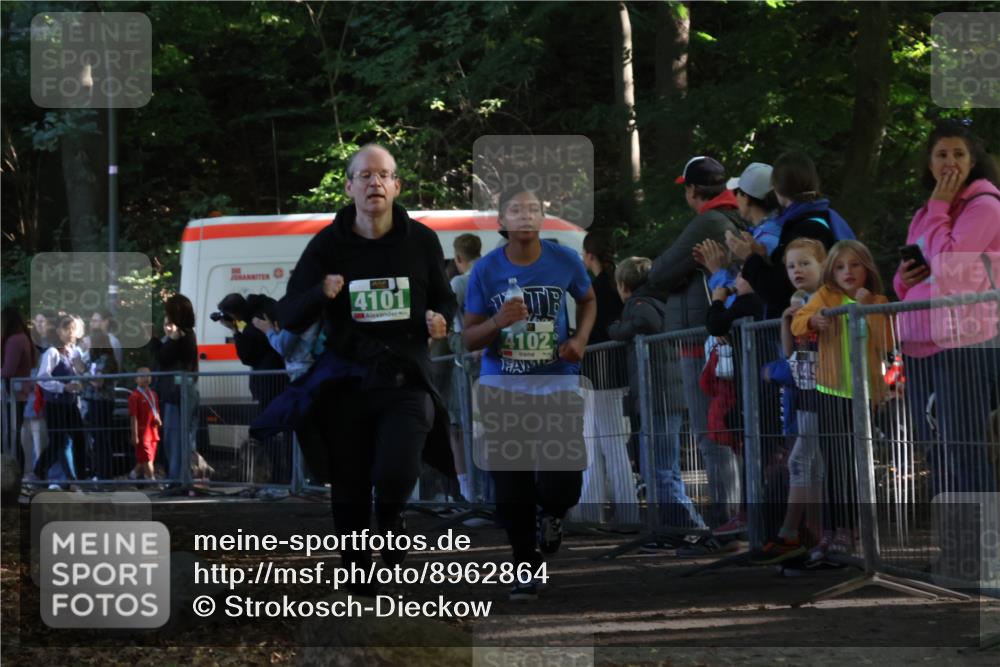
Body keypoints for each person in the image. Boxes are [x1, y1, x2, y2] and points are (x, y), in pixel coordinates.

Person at [277, 144, 456, 584]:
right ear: (349, 187)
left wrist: (440, 319)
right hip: (346, 382)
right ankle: (358, 575)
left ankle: (392, 520)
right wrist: (321, 292)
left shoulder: (421, 241)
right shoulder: (327, 245)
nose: (374, 182)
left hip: (406, 378)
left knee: (397, 472)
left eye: (383, 175)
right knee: (351, 485)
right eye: (365, 175)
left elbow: (444, 298)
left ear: (396, 186)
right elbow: (289, 314)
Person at [463, 187, 596, 601]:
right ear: (502, 221)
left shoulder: (565, 260)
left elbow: (588, 300)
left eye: (533, 209)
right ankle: (525, 564)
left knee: (564, 485)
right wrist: (498, 322)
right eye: (516, 209)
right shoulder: (485, 271)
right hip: (503, 388)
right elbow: (468, 337)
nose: (525, 215)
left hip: (557, 383)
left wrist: (580, 339)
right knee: (511, 489)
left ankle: (551, 514)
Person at [893, 119, 1000, 495]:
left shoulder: (985, 206)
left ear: (973, 161)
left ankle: (984, 531)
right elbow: (903, 287)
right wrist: (905, 277)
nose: (950, 162)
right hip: (919, 344)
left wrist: (939, 208)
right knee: (935, 450)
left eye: (958, 154)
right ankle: (955, 530)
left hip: (963, 341)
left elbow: (952, 268)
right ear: (929, 163)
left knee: (964, 448)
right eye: (941, 154)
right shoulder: (924, 214)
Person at [639, 156, 745, 531]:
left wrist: (677, 273)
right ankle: (736, 519)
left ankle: (727, 521)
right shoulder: (736, 216)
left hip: (703, 343)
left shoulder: (709, 221)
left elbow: (659, 273)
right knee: (727, 432)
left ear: (692, 190)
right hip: (719, 338)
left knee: (713, 435)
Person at [792, 240, 892, 558]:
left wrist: (867, 310)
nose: (847, 272)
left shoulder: (878, 301)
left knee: (856, 462)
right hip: (830, 392)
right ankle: (833, 529)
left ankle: (854, 529)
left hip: (864, 396)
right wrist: (814, 320)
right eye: (839, 267)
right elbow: (798, 322)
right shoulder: (826, 296)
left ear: (867, 268)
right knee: (833, 463)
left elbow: (887, 342)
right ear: (831, 272)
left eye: (855, 265)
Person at [608, 256, 702, 542]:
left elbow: (646, 323)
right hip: (666, 392)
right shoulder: (663, 300)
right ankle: (678, 527)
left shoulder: (640, 304)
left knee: (660, 468)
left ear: (623, 285)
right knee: (664, 467)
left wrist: (616, 330)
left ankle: (688, 528)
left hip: (659, 394)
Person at [751, 238, 827, 564]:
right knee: (811, 464)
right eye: (792, 266)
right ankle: (812, 532)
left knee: (800, 461)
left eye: (805, 263)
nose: (798, 271)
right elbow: (789, 352)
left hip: (822, 393)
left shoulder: (826, 301)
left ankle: (790, 532)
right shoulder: (799, 301)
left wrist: (779, 371)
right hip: (804, 395)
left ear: (822, 265)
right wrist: (786, 321)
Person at [730, 151, 855, 319]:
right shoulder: (821, 217)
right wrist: (763, 256)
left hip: (815, 326)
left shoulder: (804, 227)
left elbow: (781, 291)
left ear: (776, 187)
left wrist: (750, 258)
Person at [150, 294, 199, 484]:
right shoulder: (187, 334)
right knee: (180, 436)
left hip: (177, 393)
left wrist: (154, 339)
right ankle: (179, 477)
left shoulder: (180, 335)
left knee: (175, 436)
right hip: (181, 391)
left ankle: (177, 478)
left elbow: (163, 358)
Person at [448, 233, 483, 502]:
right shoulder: (491, 274)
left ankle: (469, 492)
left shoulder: (459, 282)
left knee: (460, 427)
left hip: (467, 363)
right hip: (491, 360)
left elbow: (446, 316)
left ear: (458, 258)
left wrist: (454, 341)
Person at [33, 315, 88, 482]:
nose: (71, 333)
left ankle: (80, 477)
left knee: (79, 438)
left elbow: (78, 374)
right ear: (59, 331)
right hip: (55, 404)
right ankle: (40, 473)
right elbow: (42, 378)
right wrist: (62, 387)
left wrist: (79, 378)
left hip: (70, 403)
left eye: (73, 329)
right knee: (59, 442)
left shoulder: (73, 352)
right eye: (67, 329)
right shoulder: (52, 352)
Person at [217, 293, 288, 412]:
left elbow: (246, 357)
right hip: (280, 373)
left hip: (266, 380)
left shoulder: (254, 325)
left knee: (268, 414)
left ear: (235, 313)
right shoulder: (263, 311)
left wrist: (234, 331)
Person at [2, 307, 37, 474]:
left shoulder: (14, 340)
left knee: (9, 437)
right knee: (12, 436)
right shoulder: (23, 338)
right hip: (17, 395)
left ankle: (14, 474)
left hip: (11, 396)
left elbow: (8, 370)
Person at [82, 329, 119, 479]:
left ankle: (104, 474)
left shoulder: (106, 358)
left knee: (101, 439)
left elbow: (98, 382)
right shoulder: (93, 358)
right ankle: (98, 471)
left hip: (102, 402)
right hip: (93, 401)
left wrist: (83, 371)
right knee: (97, 439)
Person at [727, 162, 781, 256]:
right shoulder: (779, 227)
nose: (735, 197)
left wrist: (718, 266)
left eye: (736, 192)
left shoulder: (765, 242)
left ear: (746, 198)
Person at [128, 366, 161, 481]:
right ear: (136, 379)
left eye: (148, 375)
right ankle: (151, 479)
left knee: (147, 459)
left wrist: (158, 418)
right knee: (147, 459)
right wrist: (135, 435)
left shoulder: (153, 394)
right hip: (143, 433)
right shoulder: (134, 396)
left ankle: (133, 475)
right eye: (142, 376)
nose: (146, 378)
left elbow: (156, 409)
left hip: (153, 432)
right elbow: (133, 417)